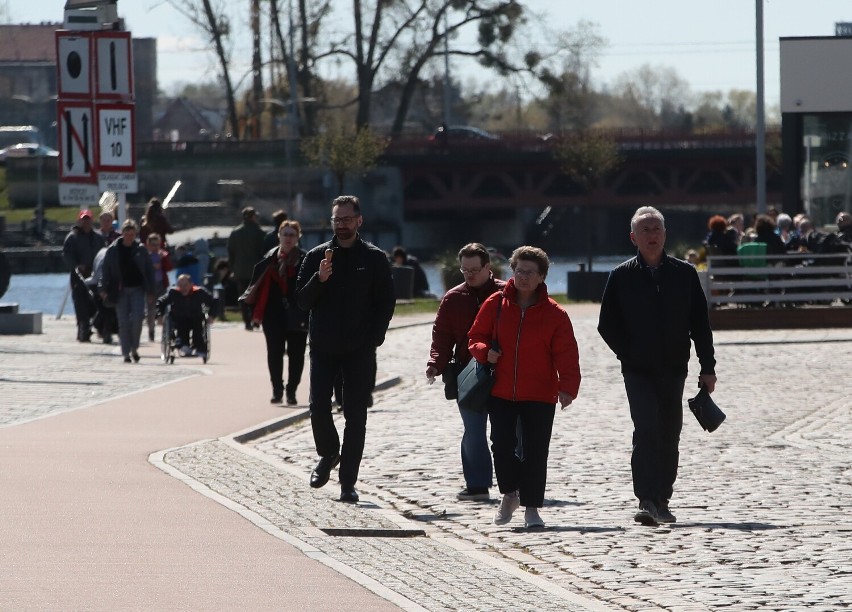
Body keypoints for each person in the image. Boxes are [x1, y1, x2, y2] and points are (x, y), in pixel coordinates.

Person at [598, 206, 717, 527]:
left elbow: (700, 325)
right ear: (633, 238)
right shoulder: (621, 276)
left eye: (657, 229)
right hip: (637, 370)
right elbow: (607, 325)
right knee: (646, 428)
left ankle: (663, 496)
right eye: (645, 230)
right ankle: (646, 499)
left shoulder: (684, 273)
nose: (652, 235)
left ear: (665, 234)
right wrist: (628, 353)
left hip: (674, 367)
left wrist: (708, 367)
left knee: (670, 432)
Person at [468, 246, 580, 529]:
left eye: (530, 273)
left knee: (535, 451)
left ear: (542, 277)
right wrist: (485, 352)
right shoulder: (494, 304)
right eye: (519, 271)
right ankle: (509, 494)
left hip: (540, 393)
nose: (523, 277)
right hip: (501, 390)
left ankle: (532, 508)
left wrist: (568, 387)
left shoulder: (555, 314)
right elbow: (475, 337)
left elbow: (566, 353)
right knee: (502, 447)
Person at [295, 195, 395, 503]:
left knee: (356, 416)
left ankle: (348, 482)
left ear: (359, 220)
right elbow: (301, 301)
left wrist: (374, 338)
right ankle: (328, 454)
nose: (342, 225)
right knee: (318, 406)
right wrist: (320, 279)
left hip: (358, 349)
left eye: (347, 219)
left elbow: (385, 303)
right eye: (337, 220)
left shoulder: (375, 258)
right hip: (324, 346)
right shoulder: (316, 256)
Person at [426, 243, 505, 501]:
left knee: (510, 431)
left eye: (474, 270)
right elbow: (441, 336)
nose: (469, 275)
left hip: (505, 371)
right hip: (467, 374)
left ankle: (514, 483)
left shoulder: (507, 293)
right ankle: (477, 485)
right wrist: (434, 364)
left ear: (487, 268)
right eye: (464, 270)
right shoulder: (453, 298)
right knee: (473, 430)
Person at [245, 220, 309, 405]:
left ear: (298, 238)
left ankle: (292, 390)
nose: (288, 238)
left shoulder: (305, 260)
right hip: (273, 314)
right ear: (279, 236)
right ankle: (277, 389)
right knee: (274, 352)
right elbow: (256, 285)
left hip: (298, 313)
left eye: (292, 235)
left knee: (296, 355)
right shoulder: (269, 258)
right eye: (285, 234)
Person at [99, 219, 157, 363]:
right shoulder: (113, 250)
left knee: (138, 318)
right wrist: (103, 288)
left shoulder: (141, 250)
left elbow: (149, 271)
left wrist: (151, 291)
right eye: (127, 234)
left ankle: (134, 347)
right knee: (123, 321)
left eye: (132, 234)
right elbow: (105, 270)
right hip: (120, 290)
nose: (129, 237)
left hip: (138, 289)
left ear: (135, 234)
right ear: (122, 233)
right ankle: (126, 352)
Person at [62, 209, 105, 342]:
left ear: (92, 220)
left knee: (98, 302)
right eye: (83, 219)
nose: (86, 222)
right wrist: (76, 266)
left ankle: (99, 327)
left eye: (88, 219)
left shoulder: (98, 237)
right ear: (79, 220)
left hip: (95, 275)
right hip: (79, 276)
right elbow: (67, 255)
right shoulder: (72, 237)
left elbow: (104, 254)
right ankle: (83, 329)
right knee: (80, 304)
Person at [156, 273, 217, 360]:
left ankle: (199, 347)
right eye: (180, 285)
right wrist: (159, 316)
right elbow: (160, 302)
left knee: (198, 329)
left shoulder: (199, 292)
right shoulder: (173, 292)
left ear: (191, 285)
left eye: (185, 285)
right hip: (179, 318)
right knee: (181, 327)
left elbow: (214, 302)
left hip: (196, 317)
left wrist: (211, 316)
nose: (183, 288)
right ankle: (183, 345)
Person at [228, 206, 267, 331]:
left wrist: (232, 269)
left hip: (240, 270)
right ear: (253, 217)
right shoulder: (260, 233)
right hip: (256, 270)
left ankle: (246, 321)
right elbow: (264, 252)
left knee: (243, 297)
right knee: (256, 294)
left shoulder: (235, 233)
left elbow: (231, 252)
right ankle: (255, 319)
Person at [145, 233, 173, 342]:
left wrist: (162, 260)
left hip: (161, 284)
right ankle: (151, 331)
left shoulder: (163, 255)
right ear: (148, 245)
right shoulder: (146, 256)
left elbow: (169, 268)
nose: (155, 247)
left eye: (157, 244)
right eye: (152, 244)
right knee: (151, 310)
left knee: (164, 308)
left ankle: (165, 330)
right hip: (150, 286)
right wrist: (153, 266)